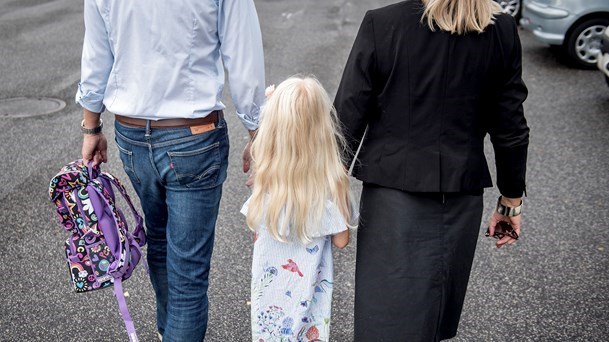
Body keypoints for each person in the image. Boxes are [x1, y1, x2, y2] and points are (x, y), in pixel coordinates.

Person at [334, 0, 529, 341]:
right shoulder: (500, 29)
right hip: (460, 199)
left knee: (385, 319)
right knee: (431, 321)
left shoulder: (384, 23)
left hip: (391, 197)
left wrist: (324, 194)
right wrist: (510, 201)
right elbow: (510, 126)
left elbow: (347, 115)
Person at [76, 0, 265, 340]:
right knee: (188, 269)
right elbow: (243, 55)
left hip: (132, 133)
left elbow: (96, 53)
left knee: (160, 242)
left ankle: (170, 332)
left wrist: (91, 126)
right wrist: (257, 130)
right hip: (194, 134)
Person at [241, 76, 357, 341]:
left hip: (267, 297)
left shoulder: (267, 182)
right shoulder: (332, 181)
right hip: (309, 302)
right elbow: (341, 240)